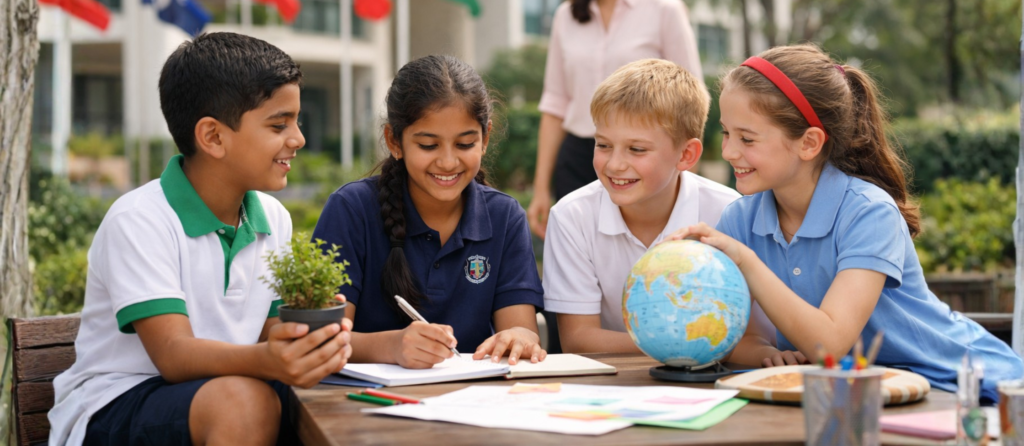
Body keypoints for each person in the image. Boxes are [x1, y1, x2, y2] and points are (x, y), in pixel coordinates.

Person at [670, 44, 1023, 402]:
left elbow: (830, 343)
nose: (729, 151)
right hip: (853, 391)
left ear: (809, 143)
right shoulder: (740, 218)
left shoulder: (869, 212)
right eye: (726, 133)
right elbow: (735, 339)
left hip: (963, 384)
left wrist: (745, 260)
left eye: (747, 138)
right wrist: (765, 354)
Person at [48, 32, 353, 446]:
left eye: (297, 122)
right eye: (279, 124)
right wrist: (268, 359)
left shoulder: (272, 219)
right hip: (116, 404)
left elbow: (269, 332)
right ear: (212, 137)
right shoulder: (140, 219)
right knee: (244, 403)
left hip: (226, 388)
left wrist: (313, 331)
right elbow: (173, 355)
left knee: (333, 398)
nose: (297, 138)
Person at [312, 54, 546, 369]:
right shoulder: (350, 209)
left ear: (485, 138)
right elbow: (321, 339)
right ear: (394, 140)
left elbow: (521, 328)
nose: (448, 162)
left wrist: (518, 338)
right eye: (428, 146)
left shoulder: (505, 216)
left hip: (473, 400)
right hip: (370, 405)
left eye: (464, 145)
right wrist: (392, 346)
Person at [527, 0, 703, 241]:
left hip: (645, 159)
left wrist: (684, 182)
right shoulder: (567, 15)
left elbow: (692, 102)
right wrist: (540, 187)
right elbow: (554, 104)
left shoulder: (666, 9)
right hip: (578, 156)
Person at [542, 59, 739, 353]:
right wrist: (685, 347)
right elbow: (578, 339)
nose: (615, 164)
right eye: (603, 145)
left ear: (686, 154)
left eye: (636, 149)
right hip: (610, 384)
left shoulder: (730, 212)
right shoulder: (571, 216)